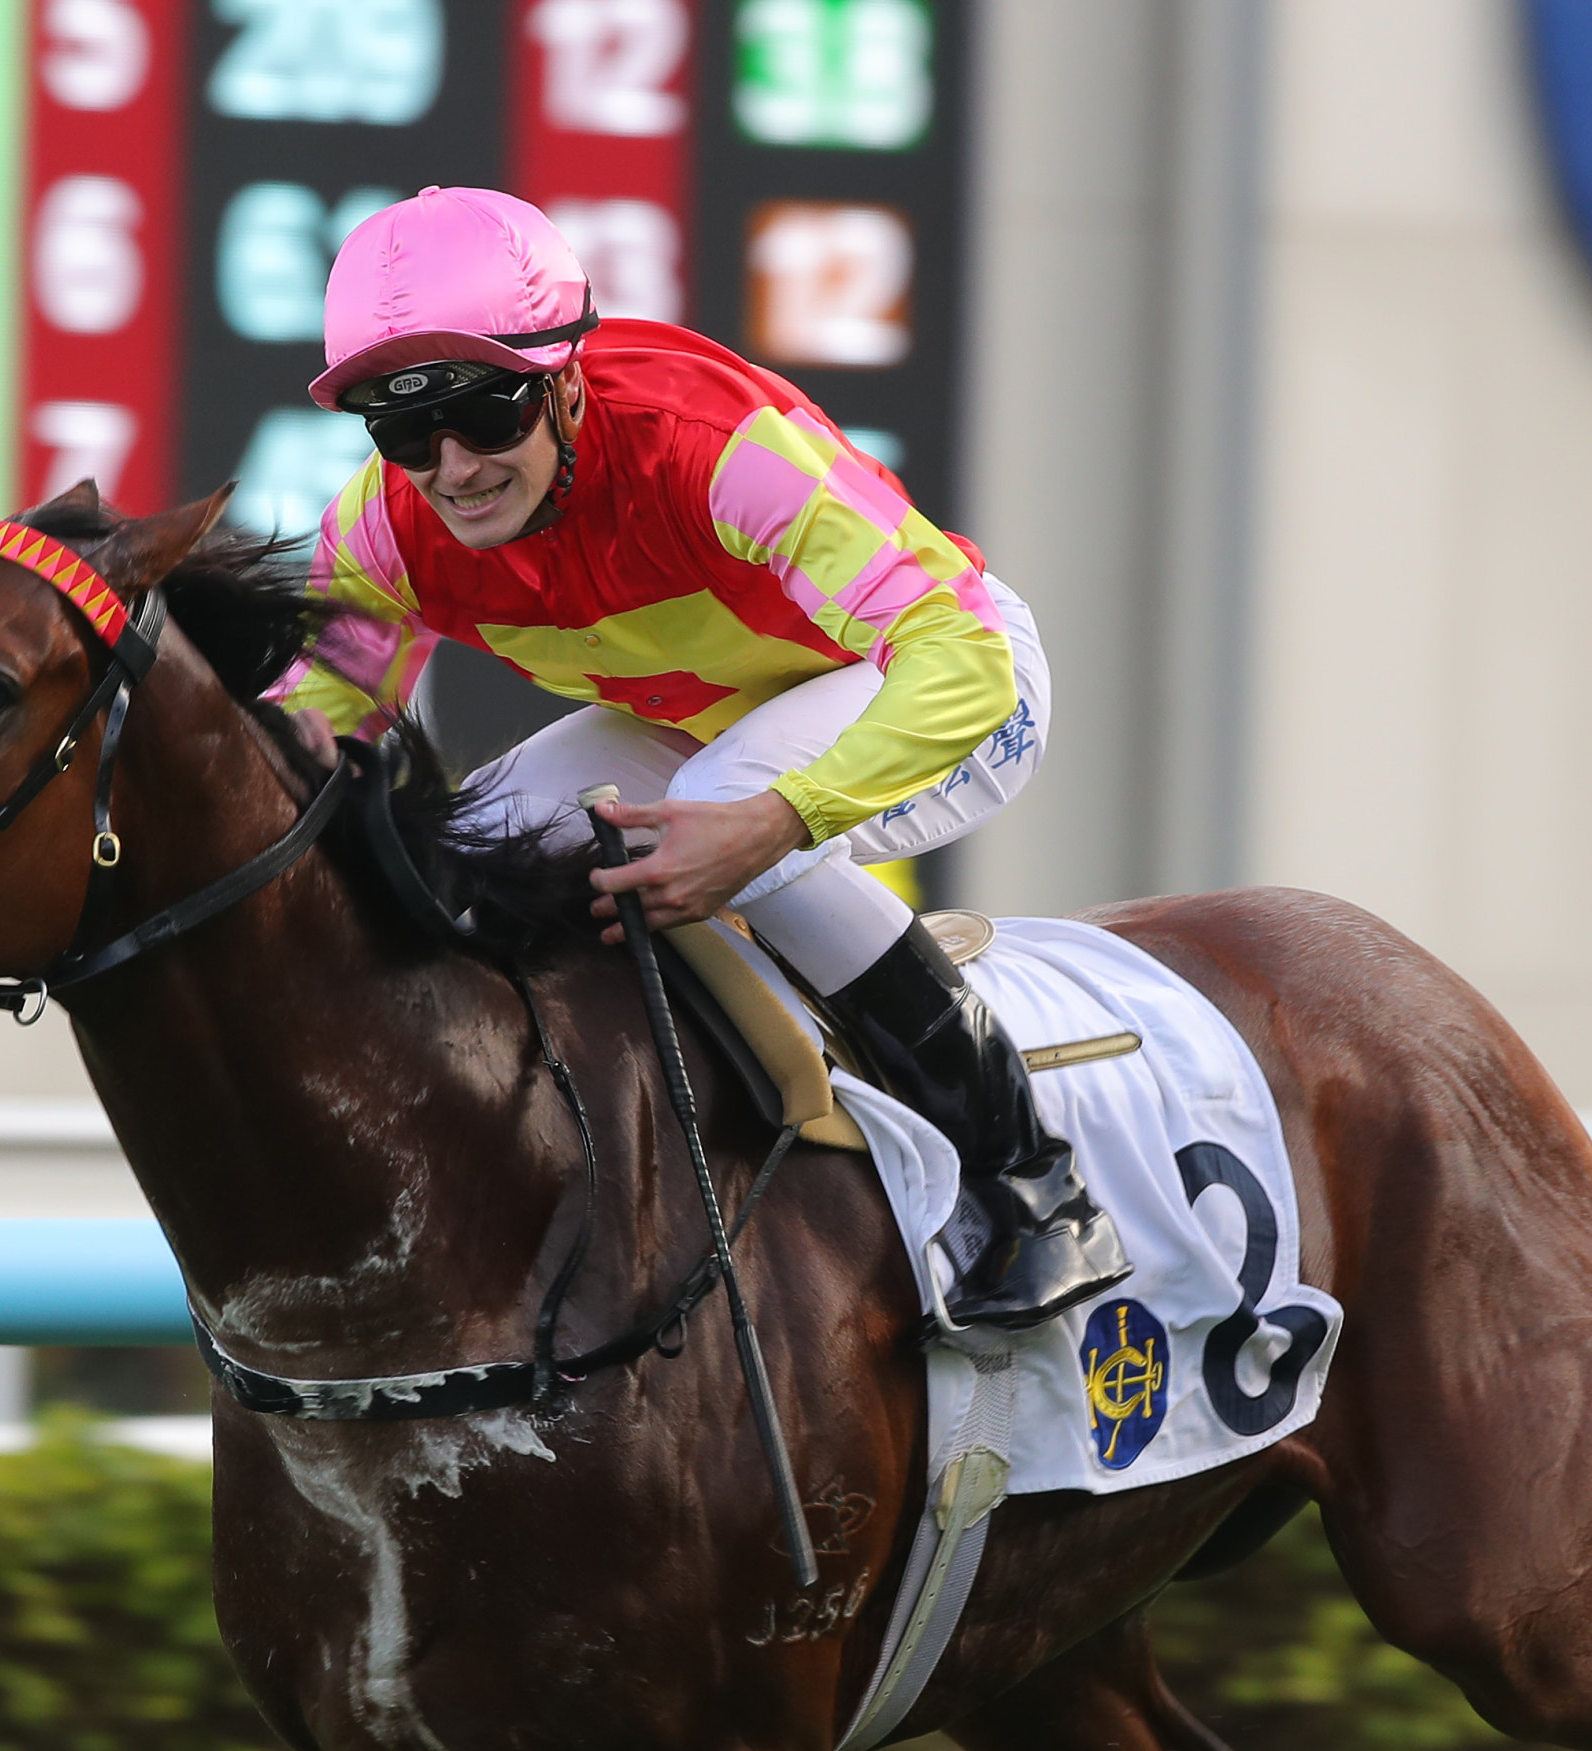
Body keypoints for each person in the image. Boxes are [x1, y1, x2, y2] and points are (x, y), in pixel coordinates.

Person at [282, 186, 1127, 1335]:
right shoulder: (382, 528)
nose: (452, 466)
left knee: (726, 802)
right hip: (714, 722)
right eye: (400, 429)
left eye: (486, 416)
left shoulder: (717, 449)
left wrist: (783, 818)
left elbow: (958, 654)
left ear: (566, 382)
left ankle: (1036, 1187)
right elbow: (308, 730)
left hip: (947, 682)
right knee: (478, 839)